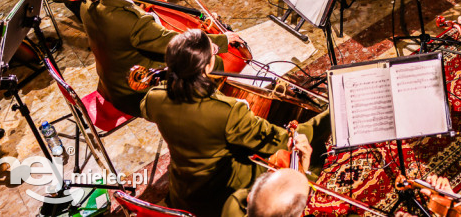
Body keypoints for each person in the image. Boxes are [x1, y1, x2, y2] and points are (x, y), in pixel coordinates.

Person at [141, 29, 329, 217]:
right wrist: (329, 115)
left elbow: (147, 107)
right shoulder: (228, 111)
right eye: (213, 52)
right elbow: (280, 140)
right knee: (306, 163)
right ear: (207, 65)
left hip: (182, 187)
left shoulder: (154, 99)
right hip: (219, 191)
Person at [80, 0, 234, 117]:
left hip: (111, 86)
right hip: (138, 94)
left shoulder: (87, 4)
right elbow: (176, 42)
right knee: (212, 62)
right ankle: (213, 116)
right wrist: (221, 40)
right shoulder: (134, 21)